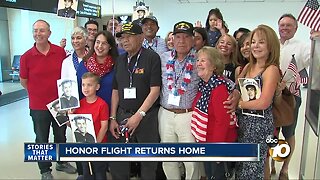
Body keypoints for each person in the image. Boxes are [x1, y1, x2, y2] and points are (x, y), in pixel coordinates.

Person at [20, 19, 76, 180]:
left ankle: (61, 162)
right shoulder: (26, 57)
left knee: (61, 135)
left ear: (49, 33)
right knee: (41, 138)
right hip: (38, 106)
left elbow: (66, 75)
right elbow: (24, 81)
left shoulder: (60, 52)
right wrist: (38, 93)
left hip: (59, 104)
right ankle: (45, 170)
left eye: (42, 30)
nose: (38, 34)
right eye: (35, 30)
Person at [109, 22, 161, 180]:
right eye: (122, 38)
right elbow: (115, 90)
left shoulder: (152, 57)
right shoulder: (120, 60)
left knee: (148, 162)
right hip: (122, 115)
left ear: (141, 37)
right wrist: (112, 118)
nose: (124, 41)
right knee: (119, 161)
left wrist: (138, 116)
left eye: (129, 37)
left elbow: (155, 90)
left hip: (146, 117)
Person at [236, 24, 281, 180]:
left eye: (261, 42)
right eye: (253, 42)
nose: (255, 46)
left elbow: (263, 103)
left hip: (259, 127)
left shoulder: (271, 69)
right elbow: (237, 88)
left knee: (254, 169)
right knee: (242, 166)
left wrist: (240, 104)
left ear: (271, 46)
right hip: (243, 123)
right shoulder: (248, 65)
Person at [270, 13, 310, 180]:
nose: (284, 28)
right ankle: (271, 163)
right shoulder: (273, 45)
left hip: (291, 96)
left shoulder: (303, 47)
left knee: (288, 132)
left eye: (288, 25)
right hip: (271, 94)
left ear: (296, 28)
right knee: (272, 132)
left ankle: (285, 169)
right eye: (282, 25)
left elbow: (315, 60)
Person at [191, 46, 237, 180]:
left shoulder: (219, 88)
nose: (199, 63)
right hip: (207, 142)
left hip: (218, 144)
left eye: (203, 61)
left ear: (214, 66)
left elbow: (222, 122)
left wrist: (217, 150)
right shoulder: (204, 85)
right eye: (198, 60)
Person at [74, 72, 109, 180]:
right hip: (84, 146)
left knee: (99, 171)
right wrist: (68, 116)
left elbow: (104, 127)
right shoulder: (78, 104)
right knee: (86, 170)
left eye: (89, 85)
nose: (85, 88)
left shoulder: (102, 104)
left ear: (97, 87)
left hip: (98, 145)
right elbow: (74, 126)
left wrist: (96, 145)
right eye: (83, 85)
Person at [77, 30, 119, 107]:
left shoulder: (117, 65)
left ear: (110, 46)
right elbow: (78, 88)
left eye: (104, 43)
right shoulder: (84, 64)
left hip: (109, 112)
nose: (99, 46)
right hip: (86, 112)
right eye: (97, 42)